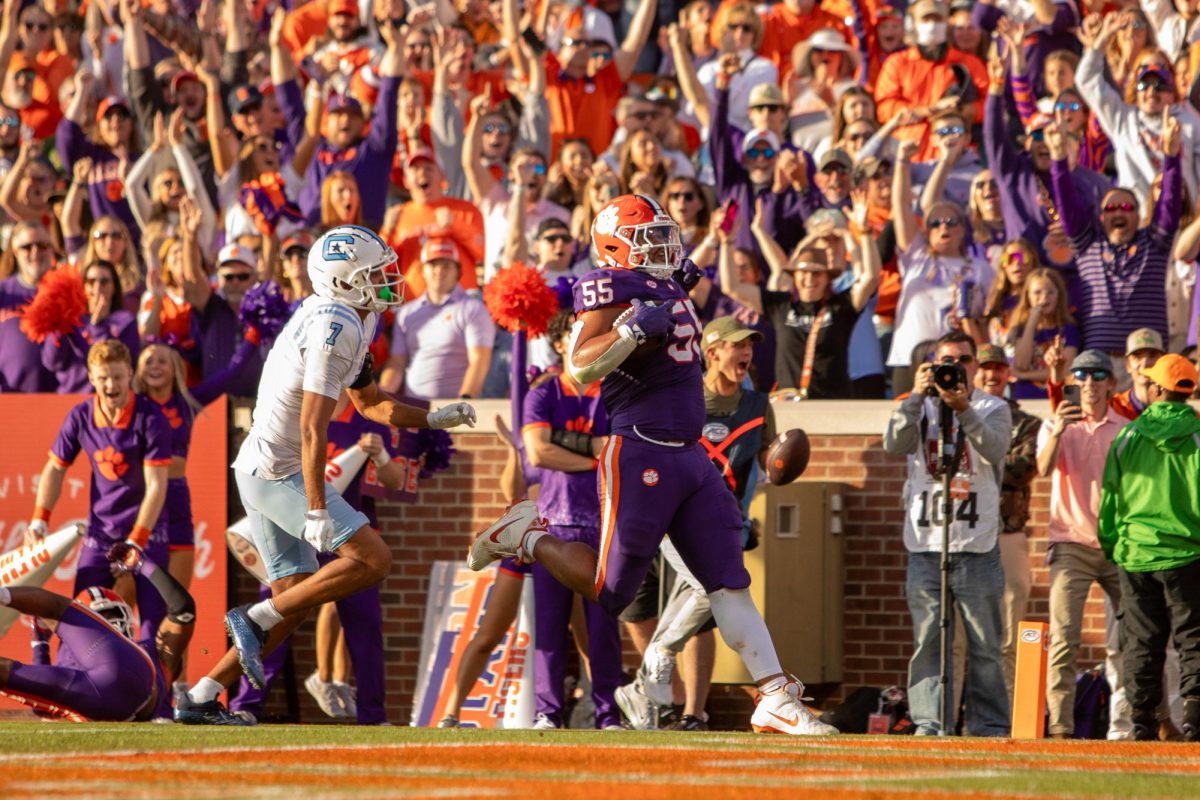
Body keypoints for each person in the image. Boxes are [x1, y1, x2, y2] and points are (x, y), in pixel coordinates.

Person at [467, 193, 838, 737]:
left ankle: (775, 695)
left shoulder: (665, 280)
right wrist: (630, 333)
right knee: (613, 591)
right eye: (649, 238)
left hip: (690, 455)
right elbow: (578, 367)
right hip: (639, 449)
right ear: (616, 246)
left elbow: (679, 291)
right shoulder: (607, 284)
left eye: (664, 234)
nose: (664, 245)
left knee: (728, 581)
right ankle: (528, 536)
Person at [175, 225, 477, 723]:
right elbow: (314, 427)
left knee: (292, 600)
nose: (387, 280)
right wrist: (316, 507)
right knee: (374, 559)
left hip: (263, 467)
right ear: (341, 281)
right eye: (373, 274)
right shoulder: (334, 325)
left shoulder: (350, 316)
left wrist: (432, 417)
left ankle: (204, 694)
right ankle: (252, 616)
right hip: (278, 469)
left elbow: (370, 402)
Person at [615, 315, 775, 732]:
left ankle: (648, 684)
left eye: (749, 346)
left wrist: (781, 466)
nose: (745, 353)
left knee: (712, 594)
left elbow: (765, 466)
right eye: (737, 345)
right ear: (712, 352)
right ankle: (657, 672)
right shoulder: (687, 399)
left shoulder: (759, 405)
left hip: (729, 523)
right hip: (680, 518)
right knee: (712, 589)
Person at [882, 331, 1012, 736]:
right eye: (945, 361)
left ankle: (988, 725)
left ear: (974, 365)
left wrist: (964, 408)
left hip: (976, 542)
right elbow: (894, 444)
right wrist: (917, 396)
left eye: (963, 360)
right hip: (925, 541)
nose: (954, 368)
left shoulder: (993, 407)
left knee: (986, 644)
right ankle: (929, 722)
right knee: (928, 641)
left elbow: (994, 450)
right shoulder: (915, 405)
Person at [27, 339, 172, 643]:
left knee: (153, 633)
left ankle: (162, 691)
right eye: (103, 377)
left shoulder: (150, 417)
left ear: (130, 374)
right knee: (82, 622)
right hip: (101, 535)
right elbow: (55, 468)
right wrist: (40, 519)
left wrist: (137, 541)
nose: (110, 385)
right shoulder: (80, 416)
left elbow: (157, 485)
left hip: (147, 535)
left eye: (117, 377)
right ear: (91, 378)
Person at [520, 309, 622, 730]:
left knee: (603, 629)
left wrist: (571, 445)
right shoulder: (543, 394)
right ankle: (548, 712)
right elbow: (538, 453)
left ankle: (608, 712)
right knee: (549, 625)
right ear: (560, 344)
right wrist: (592, 451)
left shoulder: (615, 394)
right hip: (553, 524)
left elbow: (617, 451)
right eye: (573, 335)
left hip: (603, 523)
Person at [1098, 354, 1200, 742]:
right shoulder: (1197, 438)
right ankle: (1194, 720)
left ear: (1157, 389)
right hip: (1189, 554)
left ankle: (1140, 721)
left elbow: (1110, 500)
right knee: (1193, 638)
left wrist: (1112, 545)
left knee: (1141, 641)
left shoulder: (1128, 436)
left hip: (1136, 554)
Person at [1037, 350, 1130, 739]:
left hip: (1116, 544)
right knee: (1063, 638)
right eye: (1081, 375)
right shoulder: (1056, 423)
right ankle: (1059, 727)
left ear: (1111, 383)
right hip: (1070, 543)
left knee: (1128, 640)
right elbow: (1041, 469)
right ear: (1073, 382)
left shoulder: (1125, 429)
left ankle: (1126, 726)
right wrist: (1058, 428)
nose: (1089, 382)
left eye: (1097, 375)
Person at [0, 545, 195, 722]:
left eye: (113, 615)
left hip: (107, 691)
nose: (110, 624)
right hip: (133, 686)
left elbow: (42, 706)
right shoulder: (157, 652)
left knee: (53, 609)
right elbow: (183, 609)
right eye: (101, 617)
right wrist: (142, 564)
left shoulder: (151, 651)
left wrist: (40, 645)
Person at [1046, 116, 1182, 369]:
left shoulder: (1154, 243)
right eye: (1111, 208)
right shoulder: (1088, 244)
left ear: (1137, 214)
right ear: (1101, 216)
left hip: (1147, 361)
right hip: (1099, 365)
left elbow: (1170, 207)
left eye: (1126, 207)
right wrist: (1058, 160)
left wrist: (1171, 157)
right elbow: (1068, 205)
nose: (1118, 212)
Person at [974, 344, 1040, 702]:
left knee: (1010, 633)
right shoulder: (955, 415)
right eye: (985, 367)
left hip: (1007, 533)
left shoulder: (1027, 422)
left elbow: (1022, 468)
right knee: (957, 637)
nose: (992, 374)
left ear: (1008, 374)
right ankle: (951, 721)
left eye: (998, 368)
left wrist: (981, 460)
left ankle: (1008, 716)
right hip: (963, 536)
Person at [378, 237, 496, 401]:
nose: (439, 270)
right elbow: (397, 363)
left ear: (457, 271)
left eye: (446, 265)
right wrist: (382, 400)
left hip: (455, 413)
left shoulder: (473, 308)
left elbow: (479, 361)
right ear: (423, 270)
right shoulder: (407, 313)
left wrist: (464, 404)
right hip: (415, 412)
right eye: (433, 264)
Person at [0, 219, 56, 391]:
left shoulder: (68, 291)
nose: (35, 252)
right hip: (9, 398)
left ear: (51, 249)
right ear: (15, 252)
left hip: (59, 397)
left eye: (42, 245)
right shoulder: (3, 292)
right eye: (27, 247)